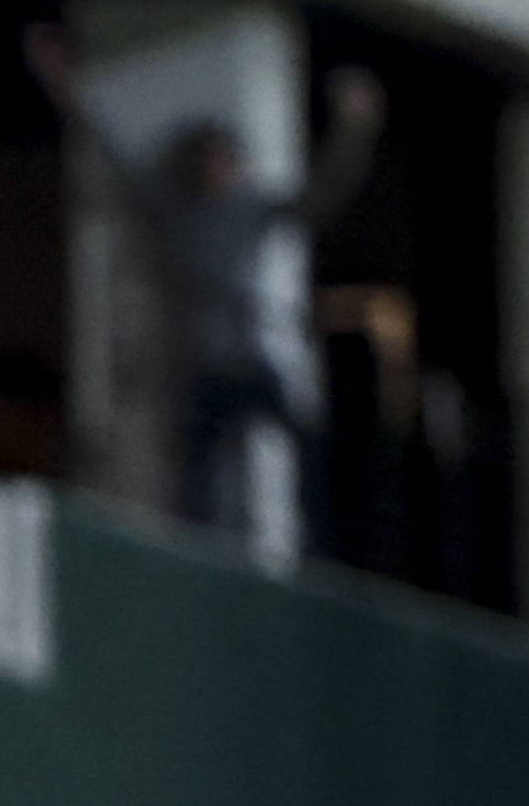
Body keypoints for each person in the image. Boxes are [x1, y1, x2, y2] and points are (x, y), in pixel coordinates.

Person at [31, 30, 385, 544]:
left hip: (248, 352)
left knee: (301, 435)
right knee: (201, 470)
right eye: (214, 162)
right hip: (199, 360)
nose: (224, 173)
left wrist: (356, 131)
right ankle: (207, 543)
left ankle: (317, 534)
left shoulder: (250, 208)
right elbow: (111, 157)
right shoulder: (172, 211)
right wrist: (67, 89)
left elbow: (321, 195)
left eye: (229, 162)